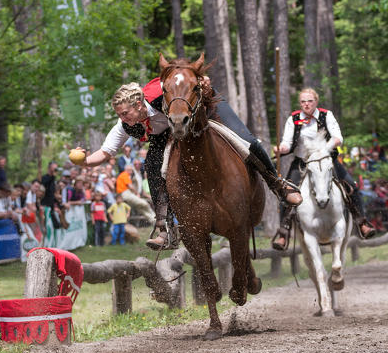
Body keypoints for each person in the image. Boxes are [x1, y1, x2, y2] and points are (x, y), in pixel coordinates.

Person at [71, 68, 301, 250]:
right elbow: (105, 153)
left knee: (248, 140)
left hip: (203, 110)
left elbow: (183, 75)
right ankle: (165, 227)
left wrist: (203, 80)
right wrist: (84, 161)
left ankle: (277, 184)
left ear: (139, 104)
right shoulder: (126, 125)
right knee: (151, 164)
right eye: (119, 115)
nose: (122, 119)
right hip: (170, 133)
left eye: (125, 113)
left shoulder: (159, 91)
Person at [272, 87, 375, 250]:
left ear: (316, 102)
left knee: (351, 186)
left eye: (309, 101)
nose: (306, 105)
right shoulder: (294, 118)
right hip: (302, 163)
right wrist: (281, 149)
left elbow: (337, 138)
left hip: (326, 160)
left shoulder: (327, 115)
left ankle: (362, 222)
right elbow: (287, 142)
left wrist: (324, 151)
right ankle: (283, 233)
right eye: (303, 102)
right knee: (287, 194)